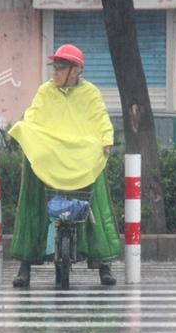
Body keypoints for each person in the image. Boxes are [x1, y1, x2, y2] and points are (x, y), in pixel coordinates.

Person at [7, 44, 121, 287]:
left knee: (96, 204)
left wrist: (106, 140)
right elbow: (33, 117)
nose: (55, 72)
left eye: (60, 68)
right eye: (55, 67)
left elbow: (101, 119)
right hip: (50, 159)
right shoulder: (45, 92)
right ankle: (24, 267)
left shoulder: (90, 93)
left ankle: (104, 266)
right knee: (33, 204)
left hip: (82, 157)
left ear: (76, 70)